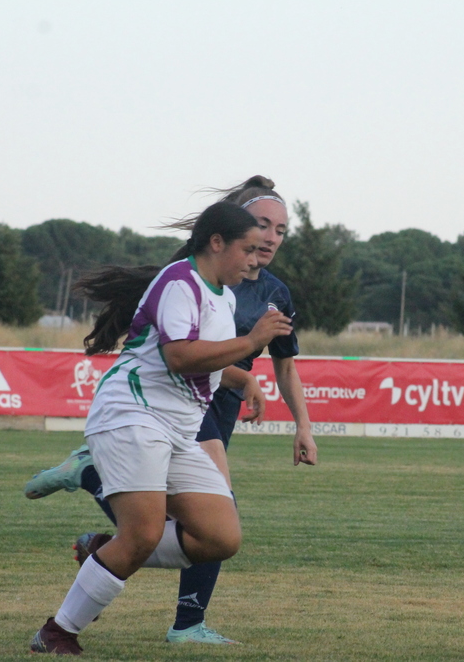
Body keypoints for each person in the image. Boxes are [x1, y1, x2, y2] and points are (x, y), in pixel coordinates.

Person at [26, 175, 318, 646]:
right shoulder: (179, 280)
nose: (257, 253)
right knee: (141, 534)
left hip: (178, 430)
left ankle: (105, 551)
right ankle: (58, 631)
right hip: (134, 417)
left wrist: (245, 380)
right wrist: (252, 343)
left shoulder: (223, 295)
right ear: (217, 242)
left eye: (273, 235)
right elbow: (179, 356)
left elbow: (216, 358)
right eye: (249, 244)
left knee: (220, 537)